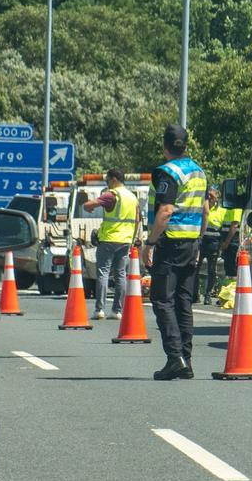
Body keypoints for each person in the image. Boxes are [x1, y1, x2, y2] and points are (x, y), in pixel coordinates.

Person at [146, 123, 207, 380]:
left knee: (162, 300)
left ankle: (174, 358)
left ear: (165, 146)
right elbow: (205, 210)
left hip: (170, 242)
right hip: (191, 243)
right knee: (183, 302)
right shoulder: (199, 172)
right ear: (186, 145)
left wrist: (150, 243)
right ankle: (186, 360)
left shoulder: (168, 173)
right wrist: (199, 240)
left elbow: (166, 211)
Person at [81, 169, 140, 320]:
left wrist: (90, 207)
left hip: (108, 239)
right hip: (125, 240)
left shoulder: (112, 194)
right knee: (120, 275)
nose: (106, 183)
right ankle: (117, 311)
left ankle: (99, 309)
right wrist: (132, 239)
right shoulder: (132, 197)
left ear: (114, 179)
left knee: (103, 273)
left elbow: (87, 205)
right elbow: (137, 220)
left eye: (107, 180)